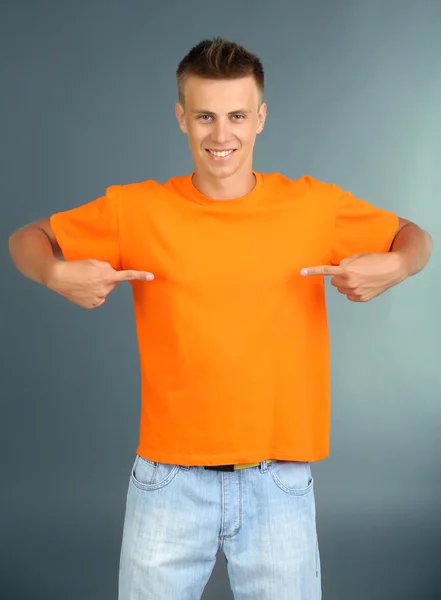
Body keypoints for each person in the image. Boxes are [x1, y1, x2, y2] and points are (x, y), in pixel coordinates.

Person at [8, 37, 432, 600]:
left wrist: (398, 265)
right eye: (205, 116)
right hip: (167, 481)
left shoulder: (312, 207)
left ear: (261, 118)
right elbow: (26, 239)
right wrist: (57, 276)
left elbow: (416, 236)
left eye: (236, 115)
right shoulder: (136, 210)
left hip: (278, 480)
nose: (221, 134)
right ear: (181, 118)